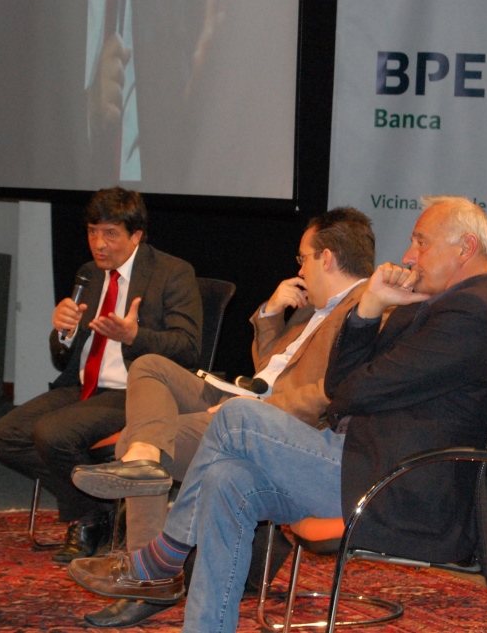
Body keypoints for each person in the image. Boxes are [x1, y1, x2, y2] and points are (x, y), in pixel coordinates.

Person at [66, 195, 487, 633]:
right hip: (354, 458)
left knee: (235, 417)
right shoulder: (424, 305)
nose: (409, 255)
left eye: (421, 242)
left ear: (466, 248)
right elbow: (345, 381)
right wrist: (369, 309)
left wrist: (359, 353)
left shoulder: (470, 312)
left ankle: (164, 556)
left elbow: (353, 391)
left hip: (390, 481)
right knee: (225, 479)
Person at [69, 207, 375, 627]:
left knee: (138, 442)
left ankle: (148, 576)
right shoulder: (313, 306)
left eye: (303, 258)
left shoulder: (365, 311)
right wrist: (271, 312)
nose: (299, 268)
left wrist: (257, 410)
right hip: (241, 395)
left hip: (273, 424)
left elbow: (331, 393)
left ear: (327, 258)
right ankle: (144, 463)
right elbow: (269, 368)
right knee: (149, 367)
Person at [0, 187, 202, 563]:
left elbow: (188, 347)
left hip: (136, 393)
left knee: (53, 434)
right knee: (7, 436)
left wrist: (135, 336)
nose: (99, 244)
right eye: (92, 232)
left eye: (110, 234)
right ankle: (101, 507)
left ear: (136, 235)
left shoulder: (172, 273)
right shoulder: (88, 274)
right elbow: (62, 357)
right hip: (83, 387)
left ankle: (88, 520)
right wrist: (63, 332)